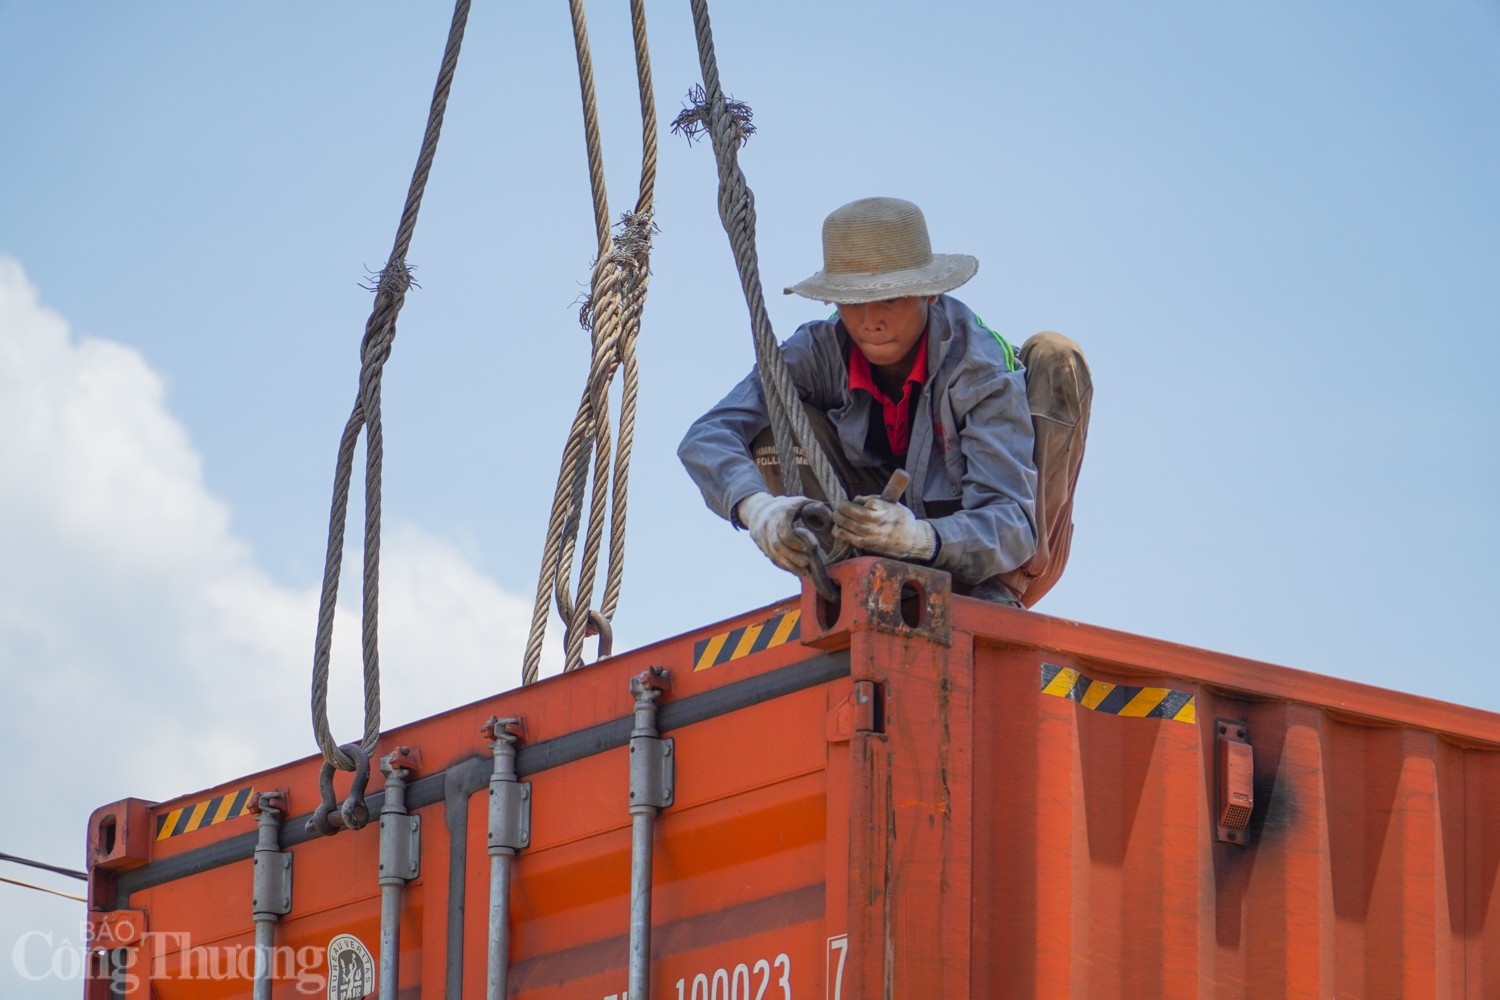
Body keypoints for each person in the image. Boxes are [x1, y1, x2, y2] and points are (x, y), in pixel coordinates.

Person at [678, 196, 1091, 607]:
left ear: (929, 294)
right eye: (854, 302)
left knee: (1056, 356)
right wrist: (757, 509)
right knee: (774, 425)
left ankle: (1003, 588)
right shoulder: (817, 351)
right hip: (872, 551)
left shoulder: (977, 365)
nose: (869, 321)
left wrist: (920, 537)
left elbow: (1011, 524)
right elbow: (709, 434)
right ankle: (846, 578)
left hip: (990, 556)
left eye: (890, 299)